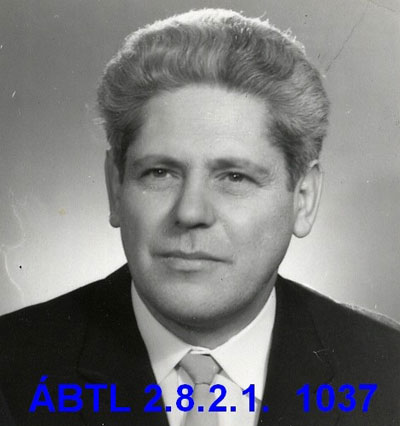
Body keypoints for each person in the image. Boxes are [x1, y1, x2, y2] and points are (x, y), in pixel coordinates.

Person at [0, 8, 399, 426]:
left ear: (303, 198)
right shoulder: (11, 371)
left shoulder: (388, 371)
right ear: (116, 188)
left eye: (235, 177)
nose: (190, 212)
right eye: (160, 173)